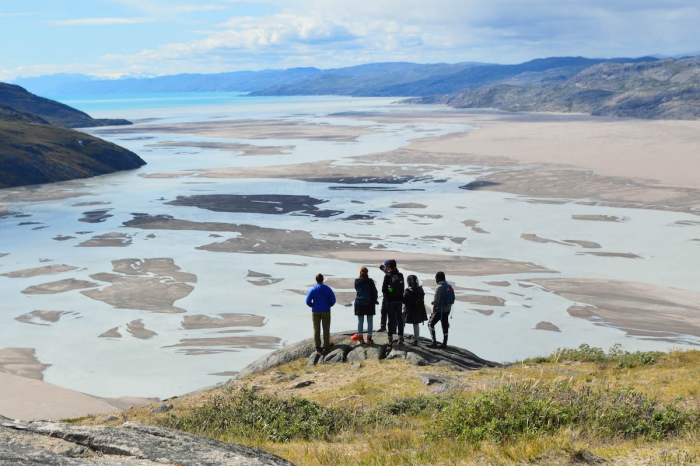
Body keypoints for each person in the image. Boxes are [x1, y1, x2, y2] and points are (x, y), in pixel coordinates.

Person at [305, 273, 336, 354]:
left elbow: (307, 301)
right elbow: (333, 300)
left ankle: (318, 347)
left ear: (316, 280)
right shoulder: (327, 289)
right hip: (326, 310)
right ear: (323, 279)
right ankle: (326, 346)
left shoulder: (313, 289)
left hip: (315, 311)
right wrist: (329, 305)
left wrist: (313, 306)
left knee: (316, 329)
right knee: (326, 329)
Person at [381, 259, 405, 345]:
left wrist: (387, 298)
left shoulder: (387, 276)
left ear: (388, 267)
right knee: (399, 319)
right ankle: (400, 337)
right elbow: (402, 289)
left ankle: (390, 338)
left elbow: (384, 289)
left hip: (390, 301)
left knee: (390, 320)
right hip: (399, 300)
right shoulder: (401, 275)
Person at [354, 266, 378, 345]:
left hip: (359, 303)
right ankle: (369, 339)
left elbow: (356, 289)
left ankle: (360, 339)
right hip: (369, 303)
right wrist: (375, 300)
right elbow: (374, 292)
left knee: (360, 321)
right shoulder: (370, 281)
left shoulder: (357, 281)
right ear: (367, 273)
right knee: (369, 321)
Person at [429, 271, 452, 349]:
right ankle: (444, 343)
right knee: (445, 325)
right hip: (448, 309)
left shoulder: (439, 287)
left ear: (438, 279)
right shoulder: (448, 286)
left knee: (430, 324)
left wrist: (434, 310)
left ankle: (434, 342)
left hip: (440, 310)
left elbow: (436, 301)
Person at [403, 275, 428, 346]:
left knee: (401, 321)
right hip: (419, 310)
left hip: (410, 310)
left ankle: (400, 337)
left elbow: (404, 300)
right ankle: (416, 339)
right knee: (416, 324)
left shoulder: (407, 291)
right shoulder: (420, 289)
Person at [375, 259, 391, 332]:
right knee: (383, 311)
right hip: (386, 296)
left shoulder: (391, 274)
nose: (385, 267)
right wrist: (380, 266)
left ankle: (390, 328)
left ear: (388, 266)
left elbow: (391, 288)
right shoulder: (388, 271)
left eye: (385, 265)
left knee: (389, 312)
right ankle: (383, 326)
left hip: (390, 296)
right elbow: (384, 269)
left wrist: (389, 290)